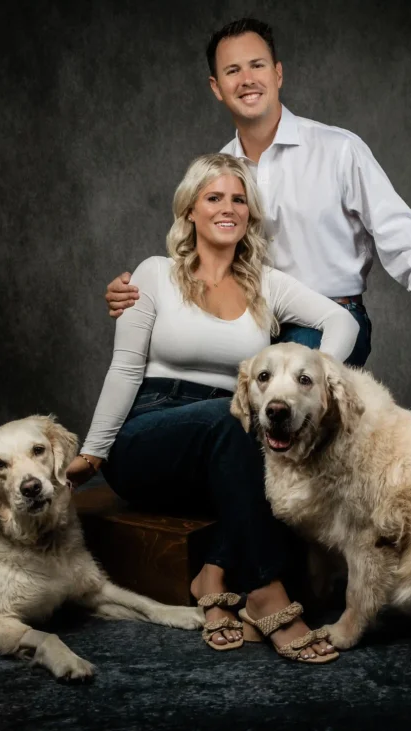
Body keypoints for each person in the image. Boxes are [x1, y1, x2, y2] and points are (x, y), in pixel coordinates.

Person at [66, 152, 359, 664]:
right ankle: (265, 591)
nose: (228, 208)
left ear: (249, 215)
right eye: (214, 197)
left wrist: (323, 373)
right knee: (234, 424)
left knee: (254, 439)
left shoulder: (267, 284)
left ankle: (212, 573)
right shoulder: (154, 274)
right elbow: (125, 369)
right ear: (191, 211)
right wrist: (93, 453)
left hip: (228, 435)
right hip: (150, 429)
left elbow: (344, 323)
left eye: (239, 199)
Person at [103, 17, 411, 368]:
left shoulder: (337, 150)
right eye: (233, 71)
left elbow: (400, 236)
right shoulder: (218, 173)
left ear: (277, 74)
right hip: (245, 324)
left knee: (282, 393)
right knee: (167, 370)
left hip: (324, 320)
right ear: (216, 87)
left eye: (256, 66)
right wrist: (140, 291)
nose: (246, 80)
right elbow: (197, 255)